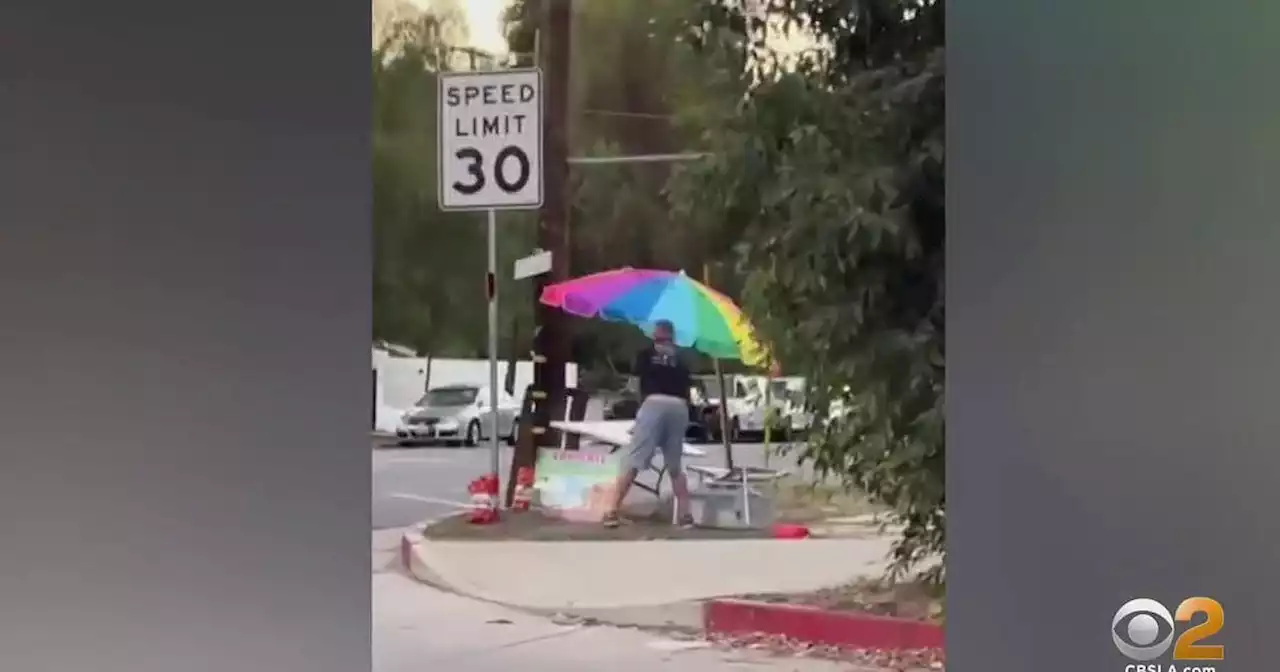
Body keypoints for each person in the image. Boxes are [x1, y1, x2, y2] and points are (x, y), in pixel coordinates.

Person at [603, 319, 695, 528]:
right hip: (679, 406)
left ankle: (612, 510)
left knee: (634, 458)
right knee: (674, 465)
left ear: (656, 334)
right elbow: (687, 390)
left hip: (654, 403)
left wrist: (638, 407)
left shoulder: (645, 355)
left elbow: (634, 385)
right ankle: (685, 515)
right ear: (672, 336)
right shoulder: (682, 358)